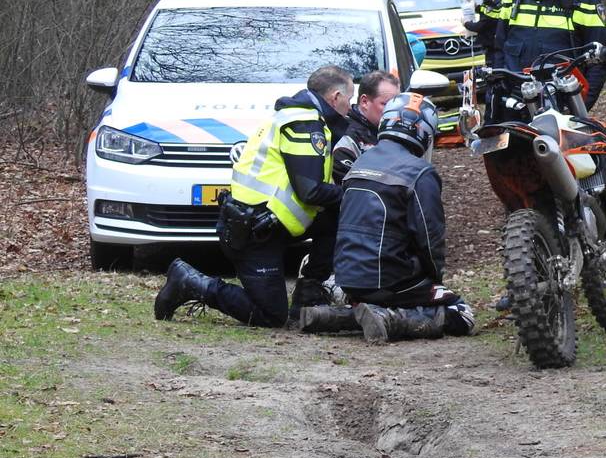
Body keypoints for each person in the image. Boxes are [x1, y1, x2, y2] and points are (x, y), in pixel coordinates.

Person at [154, 66, 354, 327]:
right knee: (271, 315)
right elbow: (311, 191)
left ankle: (308, 295)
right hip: (254, 232)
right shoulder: (304, 124)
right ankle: (193, 283)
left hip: (271, 222)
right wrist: (355, 194)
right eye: (349, 99)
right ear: (336, 97)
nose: (350, 107)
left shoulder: (300, 116)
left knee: (337, 216)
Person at [298, 93, 475, 343]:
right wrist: (433, 279)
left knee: (384, 293)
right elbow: (429, 238)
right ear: (424, 131)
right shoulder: (420, 173)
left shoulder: (358, 164)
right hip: (388, 278)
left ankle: (333, 317)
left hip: (347, 277)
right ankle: (390, 320)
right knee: (462, 314)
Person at [332, 70, 400, 184]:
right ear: (364, 102)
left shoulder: (393, 131)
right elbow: (351, 188)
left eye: (397, 105)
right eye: (387, 104)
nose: (394, 111)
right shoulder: (346, 138)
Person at [462, 0, 504, 67]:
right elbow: (491, 16)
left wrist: (466, 23)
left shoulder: (490, 3)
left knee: (494, 73)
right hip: (500, 45)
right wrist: (476, 7)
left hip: (493, 48)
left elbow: (481, 26)